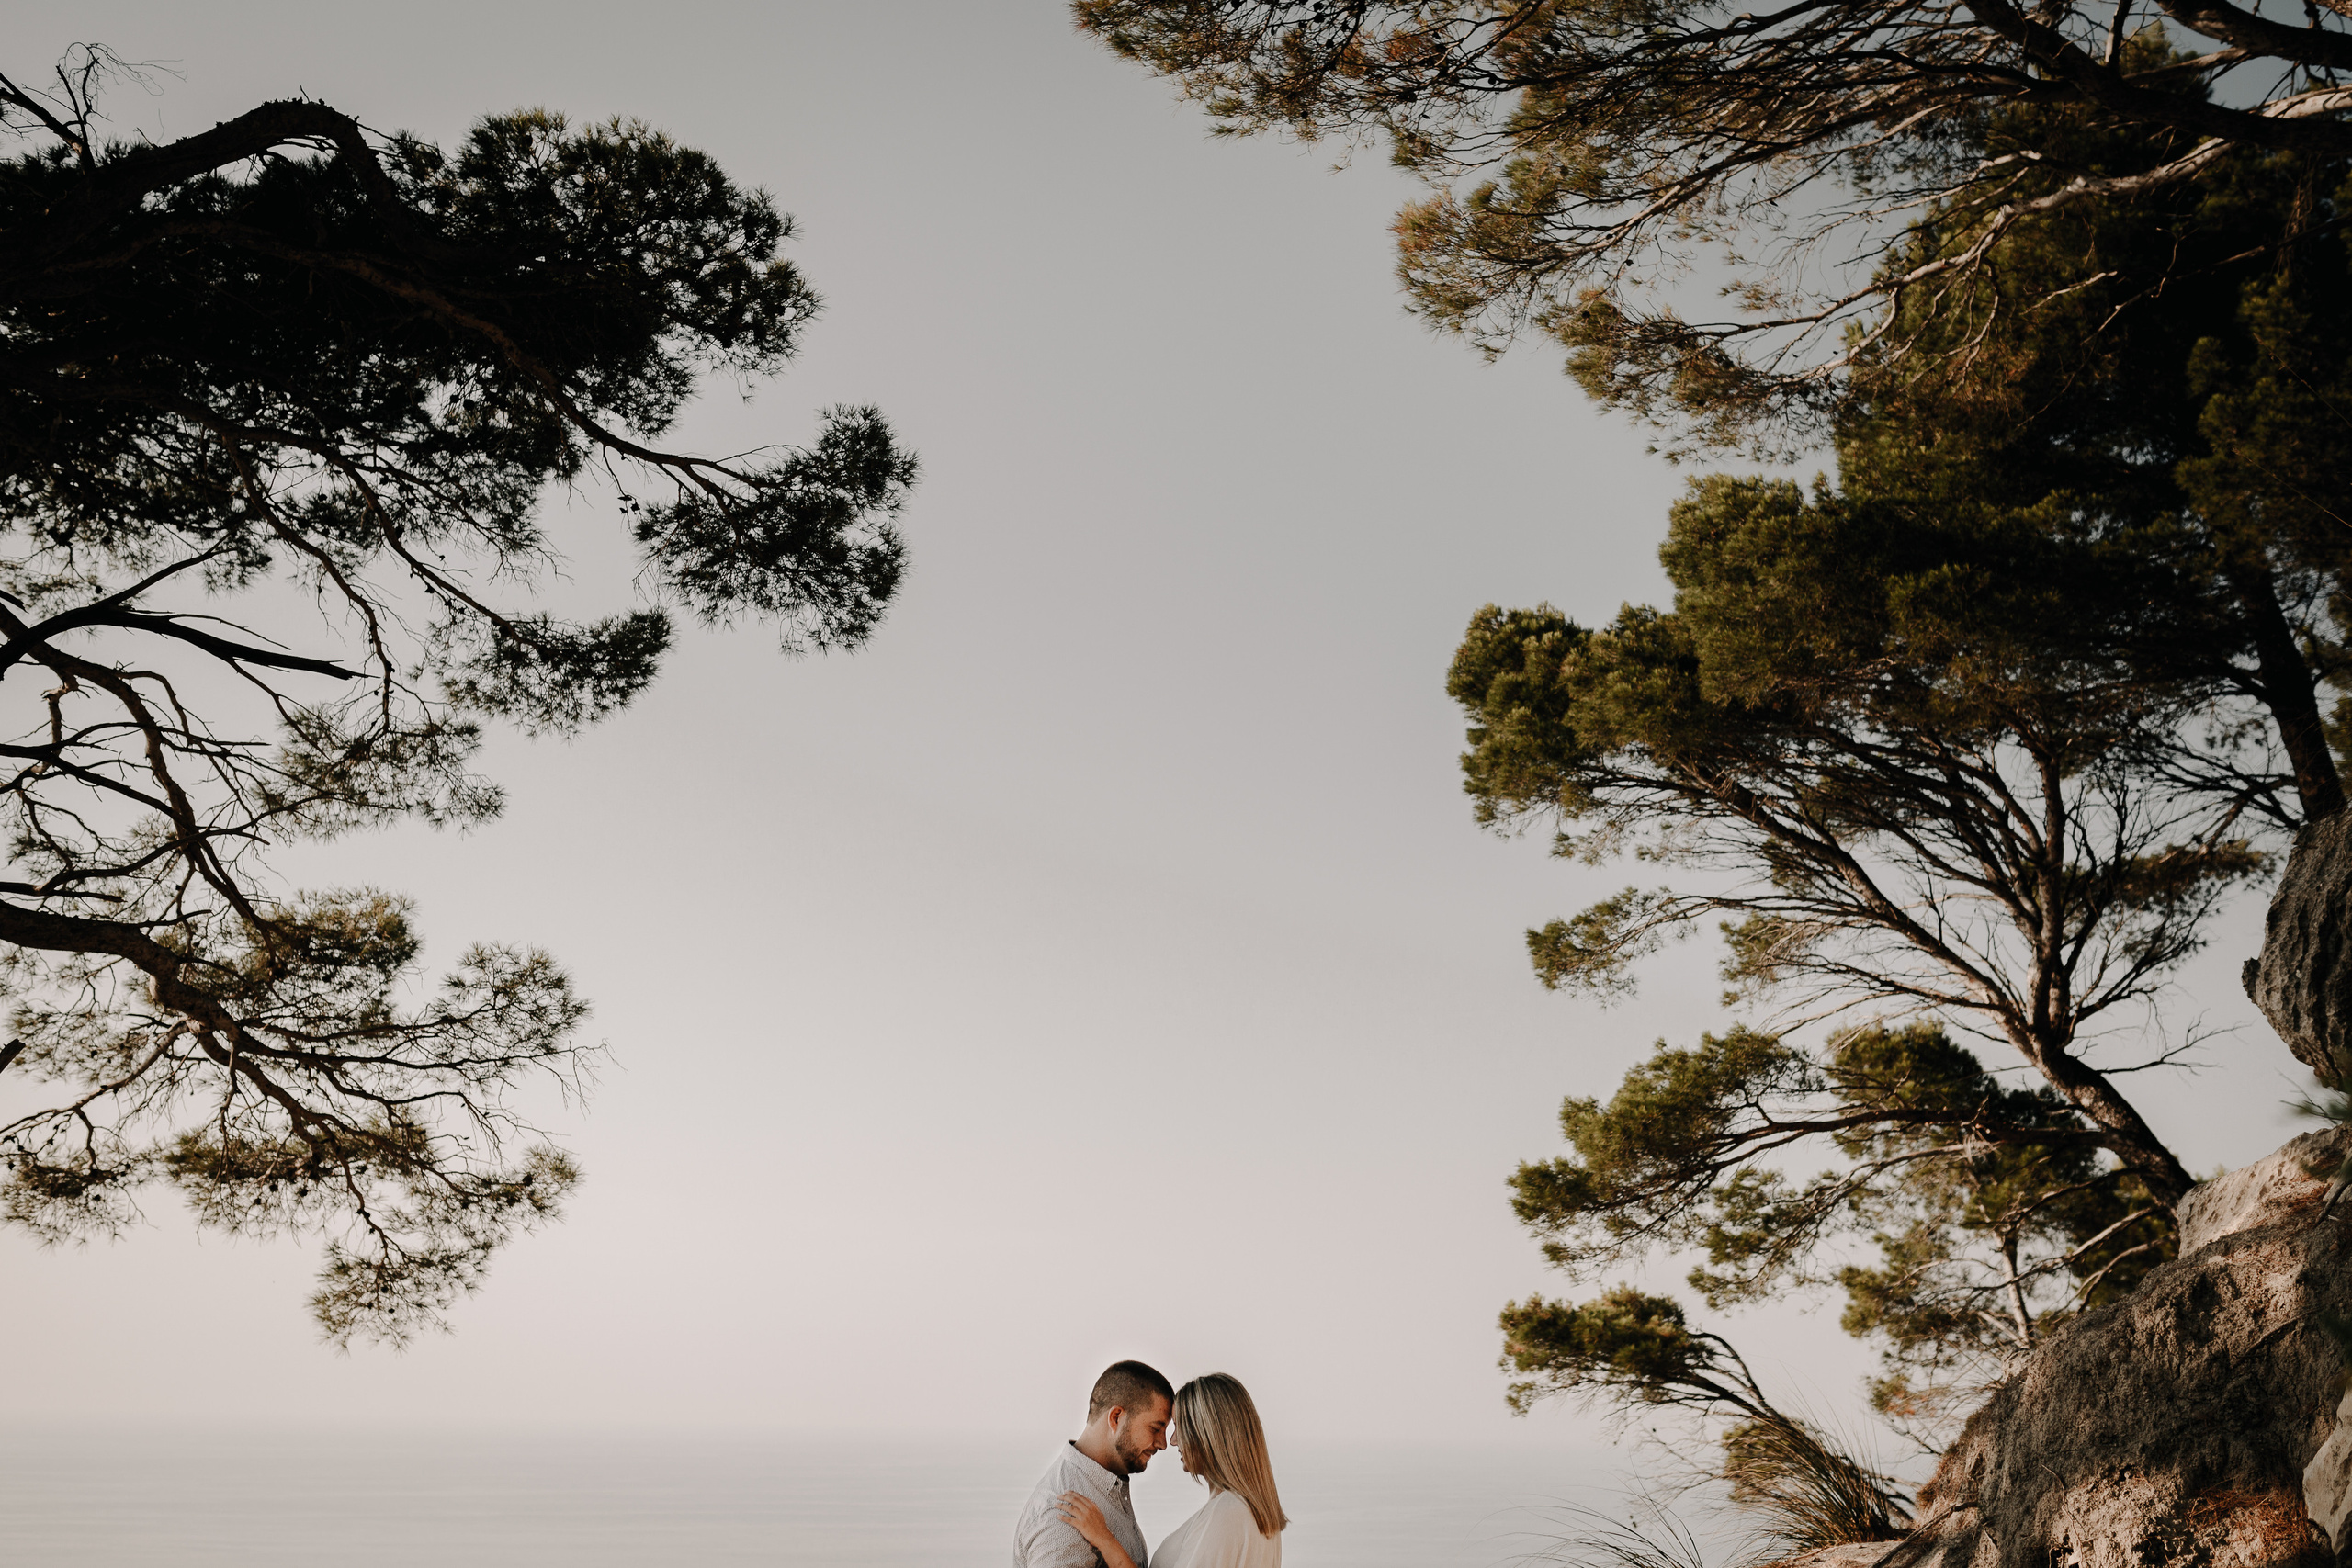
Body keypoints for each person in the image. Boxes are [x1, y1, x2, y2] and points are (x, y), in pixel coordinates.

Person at [1057, 1372, 1286, 1568]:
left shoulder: (1227, 1513)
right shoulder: (1253, 1513)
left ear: (1208, 1434)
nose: (1173, 1441)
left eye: (1179, 1427)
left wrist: (1104, 1539)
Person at [1013, 1359, 1175, 1567]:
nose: (1163, 1443)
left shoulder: (1104, 1490)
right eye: (1155, 1428)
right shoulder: (1063, 1515)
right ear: (1116, 1417)